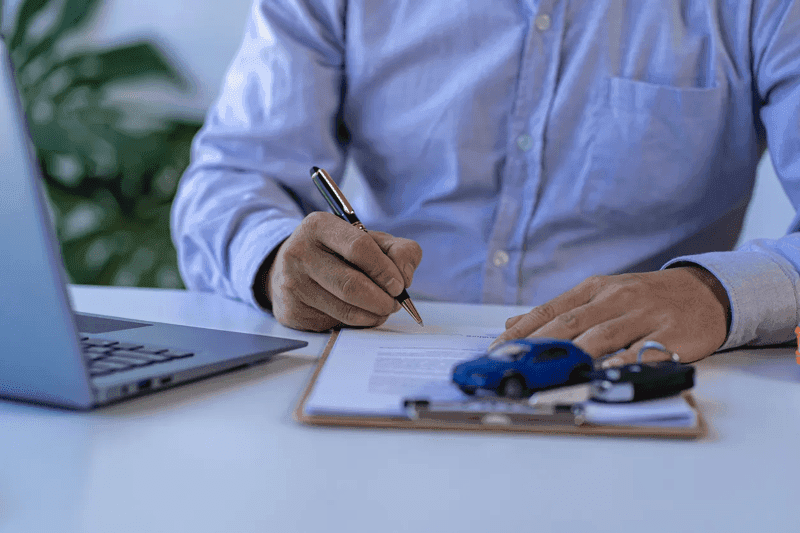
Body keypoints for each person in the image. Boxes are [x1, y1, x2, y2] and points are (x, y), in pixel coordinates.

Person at [171, 0, 800, 367]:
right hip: (382, 360)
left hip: (637, 375)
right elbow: (231, 175)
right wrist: (275, 259)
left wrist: (714, 294)